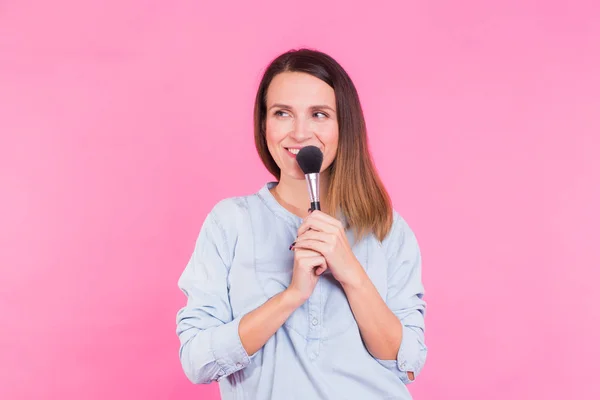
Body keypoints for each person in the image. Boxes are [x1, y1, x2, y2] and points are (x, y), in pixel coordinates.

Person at [175, 48, 427, 399]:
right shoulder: (230, 222)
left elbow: (408, 362)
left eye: (319, 114)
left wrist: (351, 273)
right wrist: (292, 296)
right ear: (264, 123)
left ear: (344, 126)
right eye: (282, 113)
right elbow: (197, 361)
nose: (299, 132)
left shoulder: (386, 228)